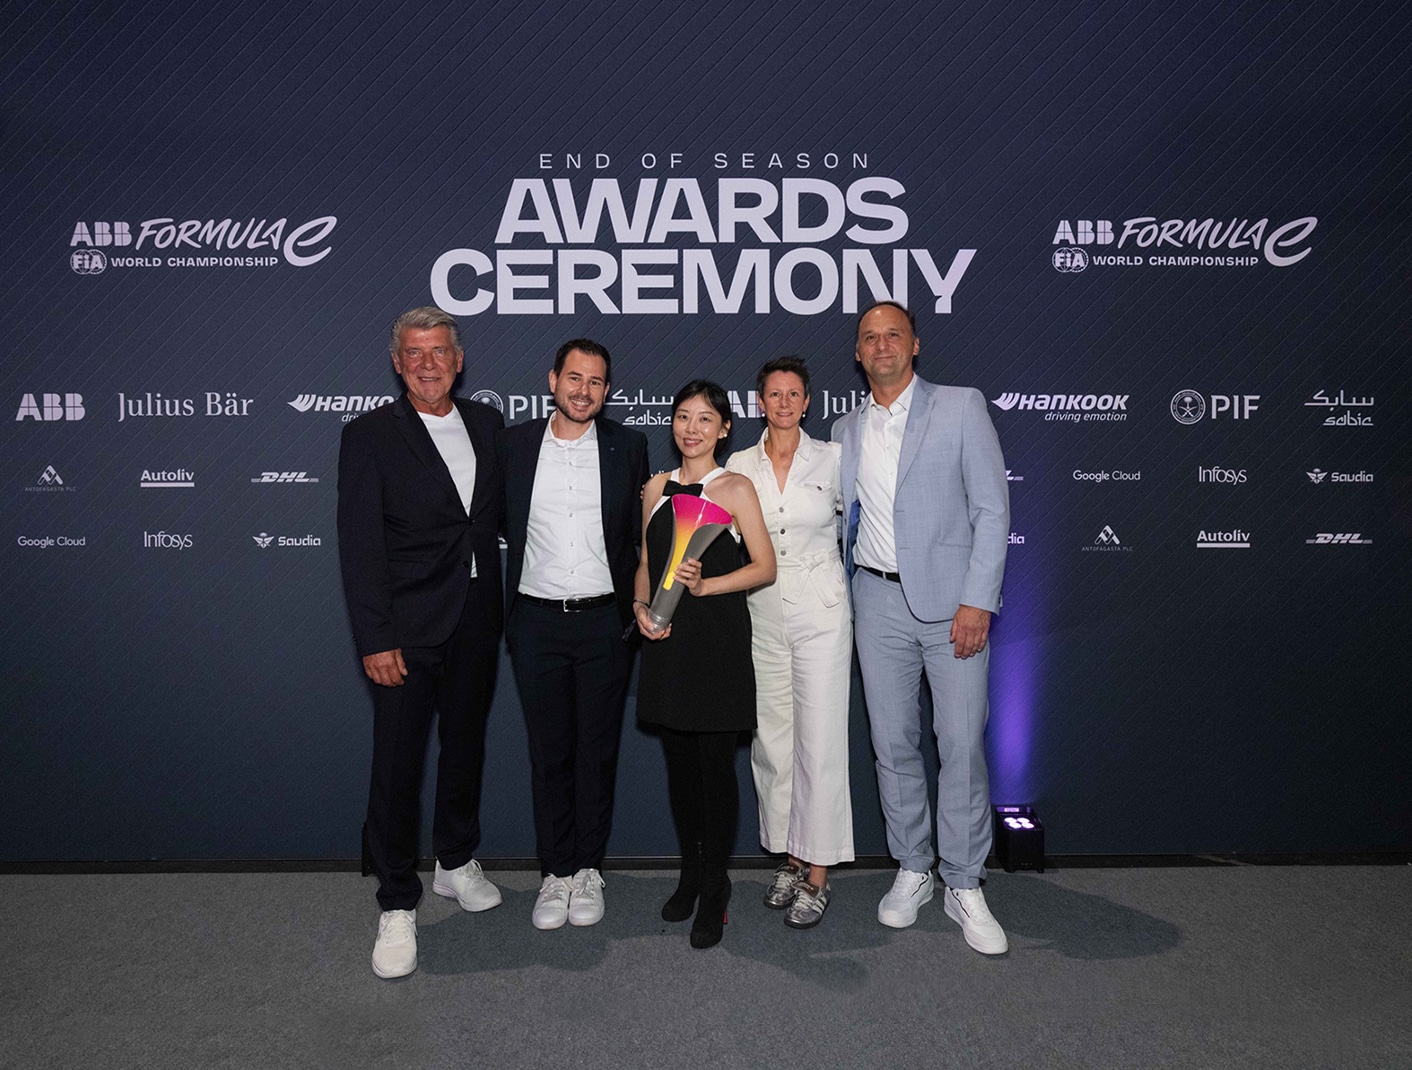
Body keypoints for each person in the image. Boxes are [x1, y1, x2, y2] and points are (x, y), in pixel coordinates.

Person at [832, 301, 1011, 955]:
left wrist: (978, 601)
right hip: (875, 601)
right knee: (892, 745)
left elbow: (992, 509)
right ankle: (914, 867)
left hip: (953, 607)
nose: (881, 345)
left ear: (915, 345)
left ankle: (963, 880)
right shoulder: (845, 427)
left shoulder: (960, 406)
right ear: (858, 353)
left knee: (960, 744)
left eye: (893, 335)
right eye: (869, 337)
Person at [337, 307, 505, 979]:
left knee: (465, 747)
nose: (428, 364)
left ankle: (455, 861)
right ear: (397, 362)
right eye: (415, 352)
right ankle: (397, 900)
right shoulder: (369, 435)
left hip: (477, 618)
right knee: (398, 765)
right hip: (406, 629)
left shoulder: (487, 424)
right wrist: (376, 637)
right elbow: (359, 546)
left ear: (459, 362)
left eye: (440, 351)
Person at [502, 339, 649, 931]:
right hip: (534, 621)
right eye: (573, 378)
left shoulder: (628, 447)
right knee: (549, 754)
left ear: (606, 391)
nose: (583, 390)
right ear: (552, 380)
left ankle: (588, 868)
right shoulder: (512, 445)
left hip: (603, 622)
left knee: (596, 752)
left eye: (595, 382)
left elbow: (641, 538)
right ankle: (555, 872)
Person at [633, 381, 776, 949]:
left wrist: (706, 585)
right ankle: (690, 875)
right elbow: (646, 563)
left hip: (716, 643)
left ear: (724, 429)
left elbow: (764, 566)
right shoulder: (655, 487)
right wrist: (640, 608)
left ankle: (716, 887)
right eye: (683, 416)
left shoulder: (735, 486)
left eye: (705, 419)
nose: (691, 428)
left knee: (715, 772)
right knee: (680, 771)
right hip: (666, 643)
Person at [725, 357, 854, 929]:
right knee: (773, 742)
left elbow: (861, 523)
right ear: (760, 402)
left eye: (793, 394)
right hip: (761, 609)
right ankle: (791, 857)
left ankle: (818, 873)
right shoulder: (739, 463)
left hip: (821, 609)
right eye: (774, 394)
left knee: (820, 740)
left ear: (807, 402)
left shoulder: (833, 457)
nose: (783, 403)